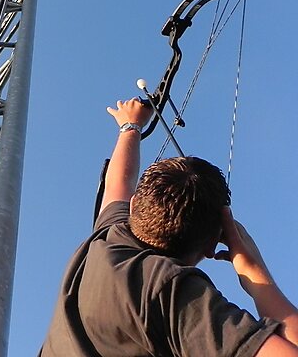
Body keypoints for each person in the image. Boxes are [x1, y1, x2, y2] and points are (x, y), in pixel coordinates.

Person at [39, 97, 298, 356]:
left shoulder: (108, 238)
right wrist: (254, 271)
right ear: (212, 245)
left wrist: (130, 125)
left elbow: (118, 183)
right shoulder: (173, 291)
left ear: (134, 205)